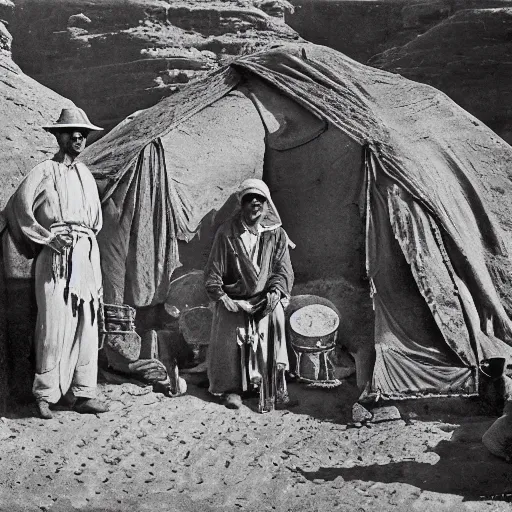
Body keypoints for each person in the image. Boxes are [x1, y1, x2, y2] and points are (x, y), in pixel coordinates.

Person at [4, 107, 108, 419]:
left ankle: (83, 393)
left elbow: (95, 224)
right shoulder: (43, 172)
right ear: (58, 136)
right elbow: (17, 208)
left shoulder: (87, 176)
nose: (78, 138)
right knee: (52, 326)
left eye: (83, 134)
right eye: (71, 133)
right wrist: (47, 238)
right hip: (55, 258)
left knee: (86, 326)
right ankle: (45, 395)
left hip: (86, 256)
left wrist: (85, 246)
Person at [204, 178, 295, 412]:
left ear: (267, 204)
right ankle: (231, 389)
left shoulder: (276, 234)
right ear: (242, 204)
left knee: (274, 315)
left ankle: (272, 387)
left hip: (264, 298)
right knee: (229, 323)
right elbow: (214, 274)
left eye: (260, 199)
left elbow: (282, 269)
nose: (255, 202)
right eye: (249, 199)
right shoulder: (227, 233)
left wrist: (275, 292)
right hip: (236, 299)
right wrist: (226, 299)